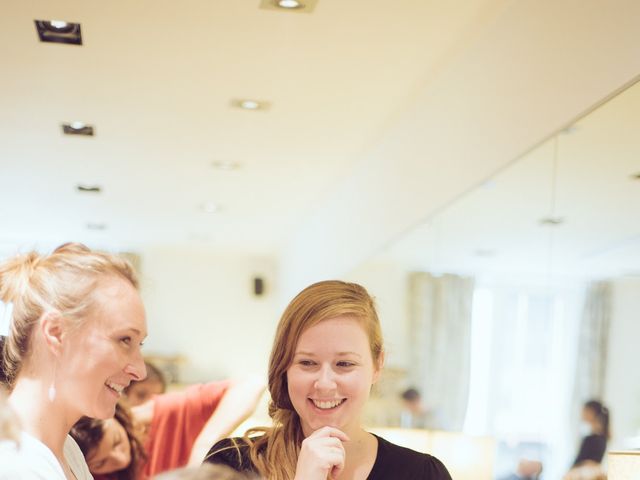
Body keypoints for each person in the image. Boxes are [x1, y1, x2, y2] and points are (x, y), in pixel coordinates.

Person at [204, 280, 453, 479]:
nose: (324, 383)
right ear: (284, 367)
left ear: (378, 365)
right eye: (307, 363)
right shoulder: (231, 466)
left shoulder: (422, 473)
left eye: (344, 364)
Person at [0, 242, 147, 479]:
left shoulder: (66, 450)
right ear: (56, 332)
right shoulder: (16, 465)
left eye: (138, 345)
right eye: (124, 340)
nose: (139, 371)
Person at [71, 374, 266, 479]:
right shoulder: (85, 469)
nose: (119, 459)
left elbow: (251, 384)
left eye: (116, 442)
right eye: (100, 463)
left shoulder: (164, 413)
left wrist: (203, 446)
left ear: (118, 416)